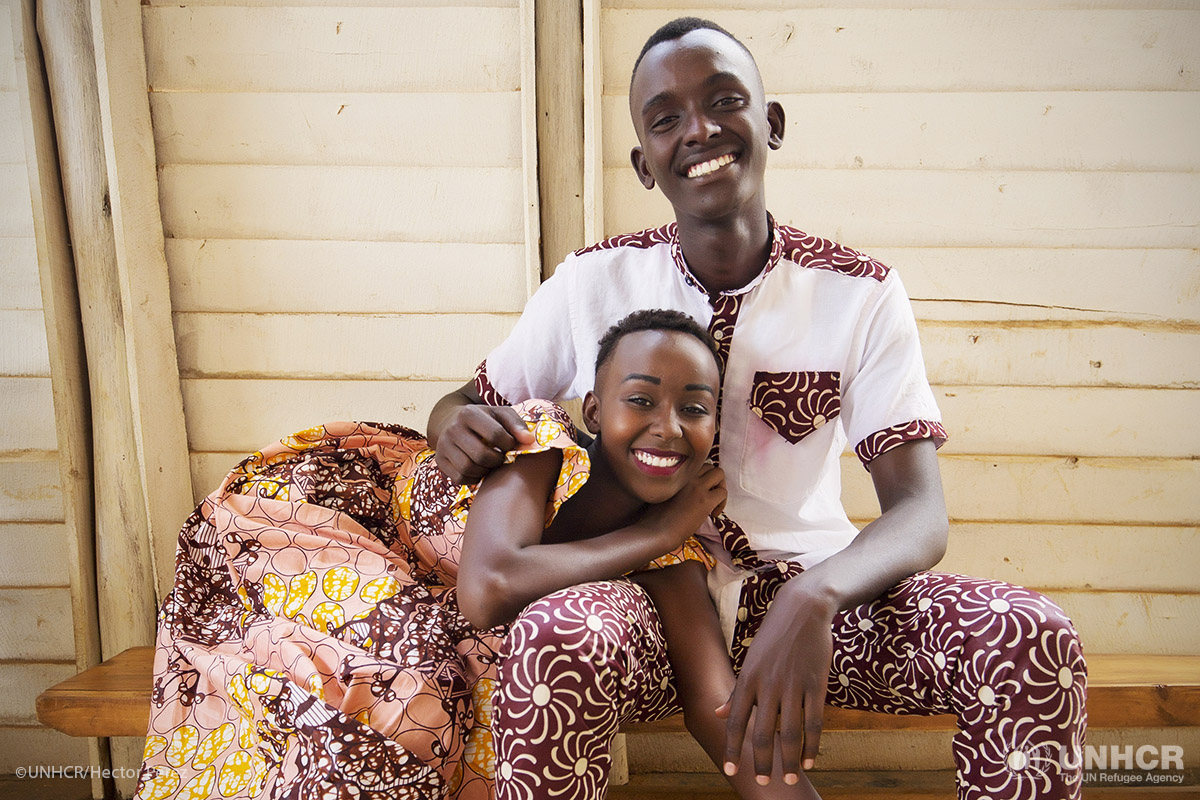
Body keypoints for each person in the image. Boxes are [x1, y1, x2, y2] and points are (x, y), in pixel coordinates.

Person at [428, 17, 1087, 800]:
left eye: (724, 100)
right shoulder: (591, 282)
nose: (699, 129)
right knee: (556, 635)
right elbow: (467, 404)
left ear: (769, 123)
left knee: (1026, 637)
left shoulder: (860, 293)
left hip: (814, 597)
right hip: (640, 597)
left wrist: (816, 596)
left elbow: (920, 513)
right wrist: (450, 425)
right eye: (666, 118)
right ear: (645, 163)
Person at [134, 310, 774, 800]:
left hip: (425, 588)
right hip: (329, 524)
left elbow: (712, 703)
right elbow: (489, 587)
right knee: (378, 694)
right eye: (641, 399)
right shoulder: (543, 445)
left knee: (432, 698)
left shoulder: (677, 555)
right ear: (595, 409)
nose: (668, 425)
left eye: (695, 408)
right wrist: (658, 533)